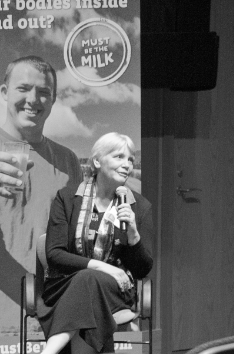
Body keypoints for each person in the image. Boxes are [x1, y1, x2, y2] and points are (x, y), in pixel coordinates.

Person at [0, 55, 83, 326]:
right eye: (23, 88)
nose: (34, 99)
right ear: (4, 92)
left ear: (53, 100)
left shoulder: (68, 160)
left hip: (53, 315)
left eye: (44, 92)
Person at [39, 132, 153, 354]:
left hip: (117, 289)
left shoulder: (139, 206)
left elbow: (142, 270)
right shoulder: (67, 198)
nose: (127, 164)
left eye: (130, 159)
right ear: (97, 161)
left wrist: (133, 236)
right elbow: (54, 254)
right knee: (87, 279)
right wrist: (103, 267)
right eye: (119, 157)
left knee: (88, 282)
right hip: (64, 284)